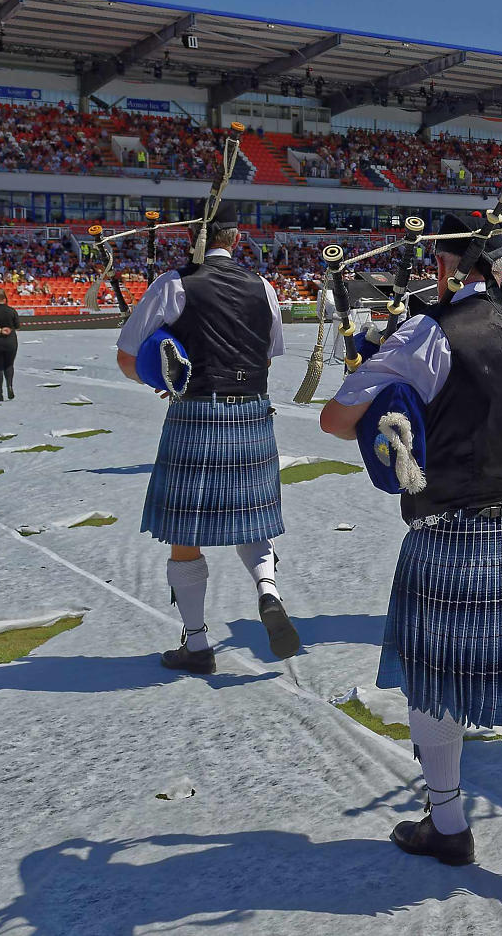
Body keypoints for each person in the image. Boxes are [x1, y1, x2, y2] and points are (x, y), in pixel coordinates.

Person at [319, 214, 502, 880]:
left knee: (433, 679)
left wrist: (372, 366)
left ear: (447, 266)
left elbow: (339, 421)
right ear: (501, 266)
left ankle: (448, 823)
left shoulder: (426, 332)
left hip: (449, 526)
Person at [114, 204, 298, 673]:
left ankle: (196, 646)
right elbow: (269, 356)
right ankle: (268, 591)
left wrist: (163, 380)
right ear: (236, 240)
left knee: (184, 532)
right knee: (252, 518)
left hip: (196, 411)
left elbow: (128, 358)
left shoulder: (174, 284)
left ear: (190, 240)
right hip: (253, 409)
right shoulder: (266, 288)